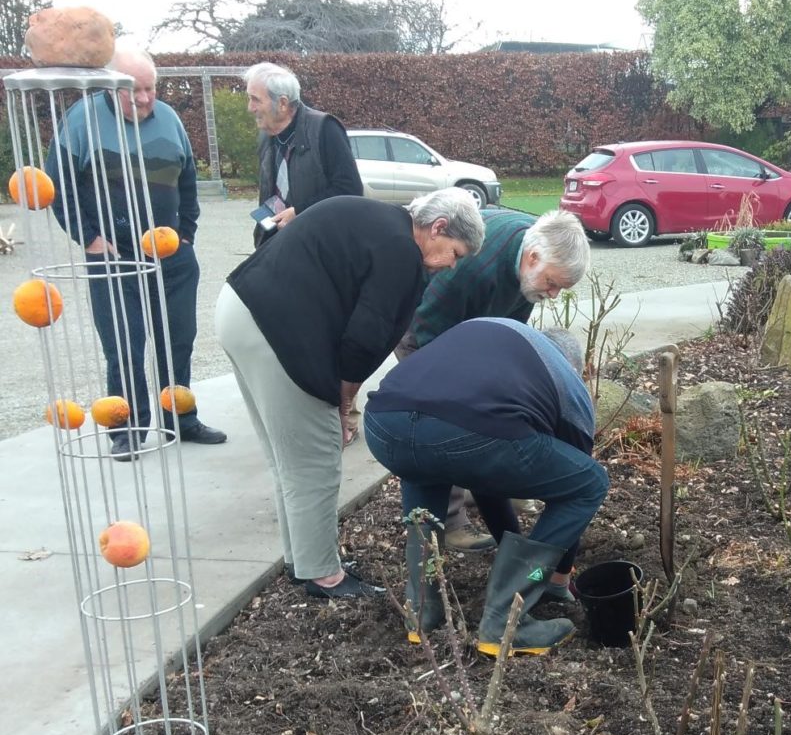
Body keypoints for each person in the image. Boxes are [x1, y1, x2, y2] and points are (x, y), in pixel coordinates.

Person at [215, 190, 484, 601]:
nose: (452, 265)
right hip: (276, 331)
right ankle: (324, 576)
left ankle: (302, 561)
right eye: (456, 253)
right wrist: (342, 407)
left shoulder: (372, 216)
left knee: (288, 457)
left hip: (238, 310)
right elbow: (363, 342)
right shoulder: (402, 253)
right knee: (317, 459)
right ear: (439, 228)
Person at [364, 318, 608, 656]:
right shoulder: (567, 382)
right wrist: (556, 578)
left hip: (383, 423)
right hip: (465, 433)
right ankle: (506, 621)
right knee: (590, 482)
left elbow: (489, 476)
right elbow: (572, 492)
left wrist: (509, 543)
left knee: (428, 465)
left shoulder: (497, 336)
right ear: (574, 366)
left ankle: (423, 613)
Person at [48, 45, 226, 454]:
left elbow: (187, 181)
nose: (145, 99)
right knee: (124, 346)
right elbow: (58, 186)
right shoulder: (81, 120)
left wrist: (186, 234)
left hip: (170, 256)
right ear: (112, 87)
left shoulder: (169, 119)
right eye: (134, 90)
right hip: (112, 256)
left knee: (178, 340)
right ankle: (127, 428)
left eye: (151, 88)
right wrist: (90, 238)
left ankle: (180, 418)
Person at [396, 207, 591, 549]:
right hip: (424, 328)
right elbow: (428, 323)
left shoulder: (530, 264)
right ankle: (451, 520)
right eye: (552, 284)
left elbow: (513, 330)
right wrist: (453, 385)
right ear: (532, 258)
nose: (553, 294)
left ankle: (496, 486)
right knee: (446, 419)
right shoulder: (475, 269)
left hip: (468, 328)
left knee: (485, 409)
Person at [245, 62, 362, 247]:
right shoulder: (267, 138)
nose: (250, 107)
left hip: (320, 248)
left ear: (282, 103)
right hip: (279, 245)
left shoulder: (325, 129)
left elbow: (349, 190)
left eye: (256, 99)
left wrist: (299, 212)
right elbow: (270, 195)